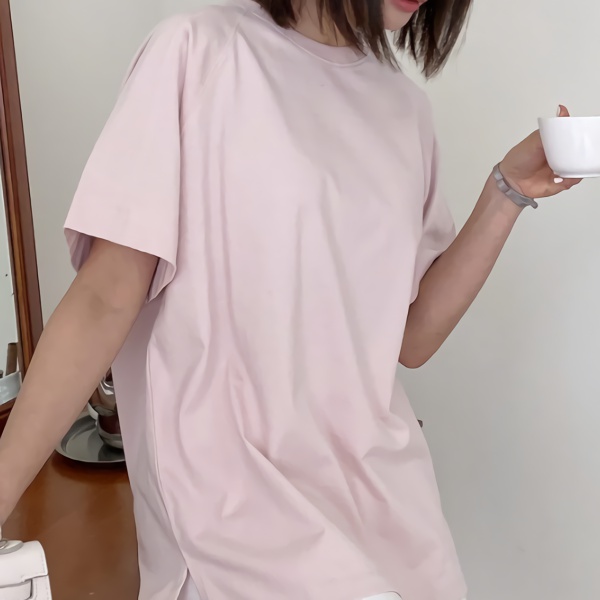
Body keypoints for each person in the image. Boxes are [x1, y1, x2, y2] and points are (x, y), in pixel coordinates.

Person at [0, 0, 579, 597]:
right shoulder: (198, 53)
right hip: (237, 518)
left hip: (393, 510)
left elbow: (411, 336)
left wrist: (507, 190)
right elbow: (104, 299)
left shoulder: (403, 109)